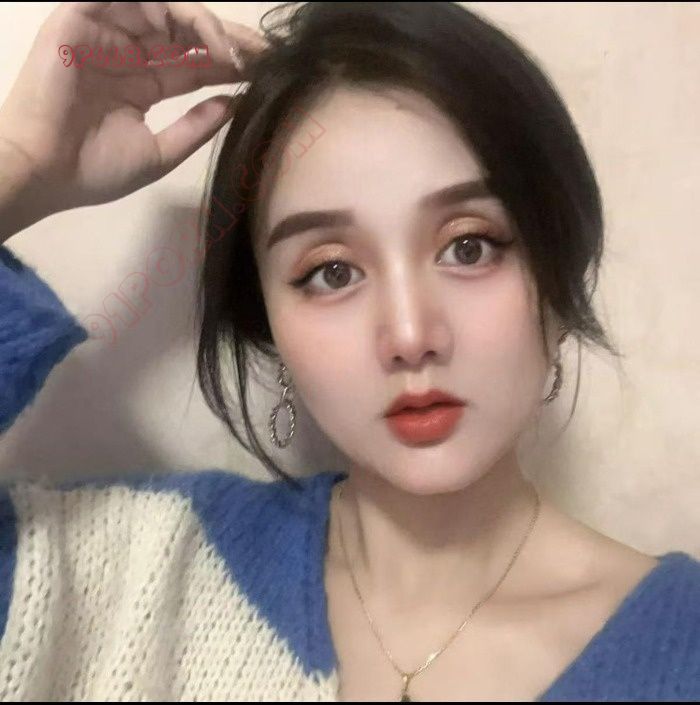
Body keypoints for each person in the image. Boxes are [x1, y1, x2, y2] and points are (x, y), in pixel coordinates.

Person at [0, 2, 698, 701]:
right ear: (267, 318)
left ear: (556, 269)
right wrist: (17, 165)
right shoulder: (135, 571)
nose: (410, 335)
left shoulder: (682, 647)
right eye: (332, 272)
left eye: (469, 246)